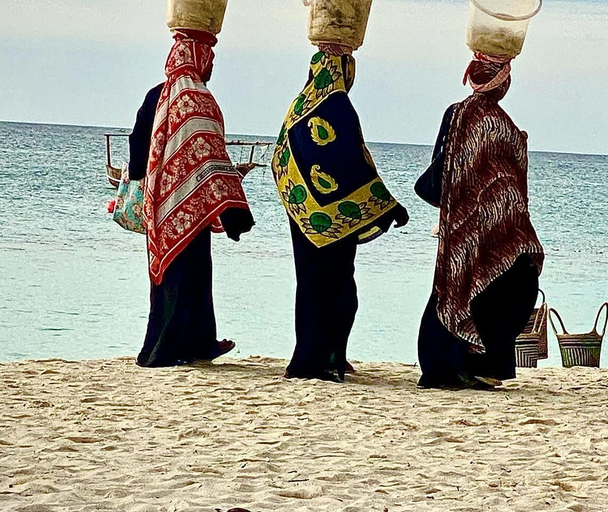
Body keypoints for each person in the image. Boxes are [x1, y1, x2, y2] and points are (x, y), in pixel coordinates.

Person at [271, 46, 409, 382]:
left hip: (305, 213)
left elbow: (282, 158)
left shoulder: (299, 106)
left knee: (312, 286)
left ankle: (321, 355)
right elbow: (351, 161)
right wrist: (387, 206)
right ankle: (315, 361)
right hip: (330, 219)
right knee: (335, 288)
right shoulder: (336, 104)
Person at [414, 54, 545, 390]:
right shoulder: (500, 125)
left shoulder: (454, 114)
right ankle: (477, 365)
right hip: (490, 224)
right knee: (516, 279)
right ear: (502, 82)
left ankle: (446, 366)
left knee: (453, 287)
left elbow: (444, 166)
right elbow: (508, 183)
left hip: (458, 224)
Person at [132, 29, 254, 368]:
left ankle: (186, 343)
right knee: (190, 276)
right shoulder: (199, 99)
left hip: (160, 203)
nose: (210, 65)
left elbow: (137, 143)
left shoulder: (155, 95)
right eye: (208, 58)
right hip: (193, 204)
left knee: (169, 277)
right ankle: (171, 349)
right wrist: (229, 203)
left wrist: (150, 181)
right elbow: (211, 152)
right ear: (197, 58)